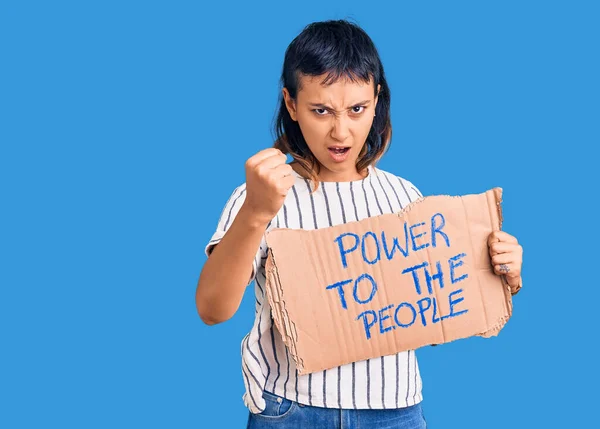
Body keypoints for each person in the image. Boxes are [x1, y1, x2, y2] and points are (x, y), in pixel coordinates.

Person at [196, 19, 523, 429]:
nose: (341, 130)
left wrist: (500, 270)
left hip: (394, 412)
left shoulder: (405, 198)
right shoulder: (260, 196)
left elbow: (442, 295)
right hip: (292, 410)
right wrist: (256, 213)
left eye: (356, 109)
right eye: (321, 110)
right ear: (291, 104)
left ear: (376, 100)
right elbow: (212, 309)